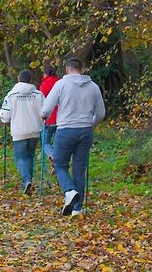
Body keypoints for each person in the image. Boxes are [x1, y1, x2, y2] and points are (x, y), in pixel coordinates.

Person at [42, 57, 105, 216]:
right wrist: (91, 122)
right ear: (81, 69)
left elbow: (46, 109)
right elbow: (101, 113)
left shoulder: (61, 85)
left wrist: (43, 116)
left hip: (66, 130)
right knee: (79, 169)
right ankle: (77, 209)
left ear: (67, 70)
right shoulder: (93, 87)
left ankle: (69, 191)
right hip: (86, 130)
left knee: (59, 164)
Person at [0, 69, 45, 195]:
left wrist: (5, 119)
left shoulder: (11, 95)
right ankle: (28, 181)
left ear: (18, 79)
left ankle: (26, 180)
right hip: (35, 130)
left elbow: (5, 115)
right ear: (31, 80)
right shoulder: (39, 95)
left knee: (19, 157)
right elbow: (45, 112)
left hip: (19, 131)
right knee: (30, 156)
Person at [39, 65, 60, 166]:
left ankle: (53, 156)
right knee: (57, 143)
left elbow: (42, 101)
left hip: (49, 118)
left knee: (45, 142)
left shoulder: (44, 84)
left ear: (45, 74)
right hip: (60, 118)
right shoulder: (60, 83)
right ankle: (57, 163)